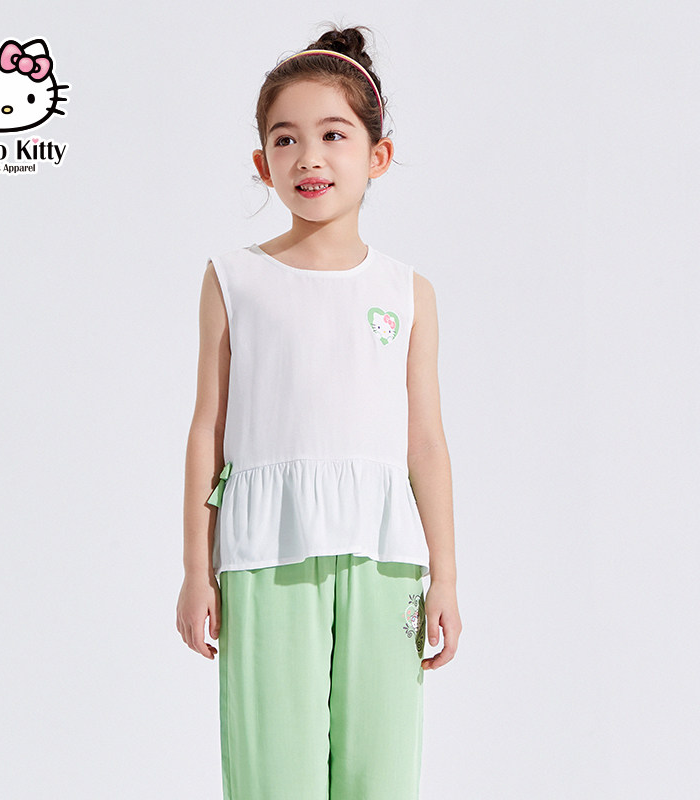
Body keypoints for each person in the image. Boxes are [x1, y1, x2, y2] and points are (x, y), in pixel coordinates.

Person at [176, 23, 462, 800]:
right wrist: (197, 571)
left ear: (377, 155)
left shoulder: (408, 292)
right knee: (273, 774)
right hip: (264, 550)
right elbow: (207, 430)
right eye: (286, 138)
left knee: (382, 772)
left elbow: (426, 444)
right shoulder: (233, 280)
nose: (309, 157)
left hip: (386, 555)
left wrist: (444, 577)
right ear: (262, 163)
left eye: (334, 135)